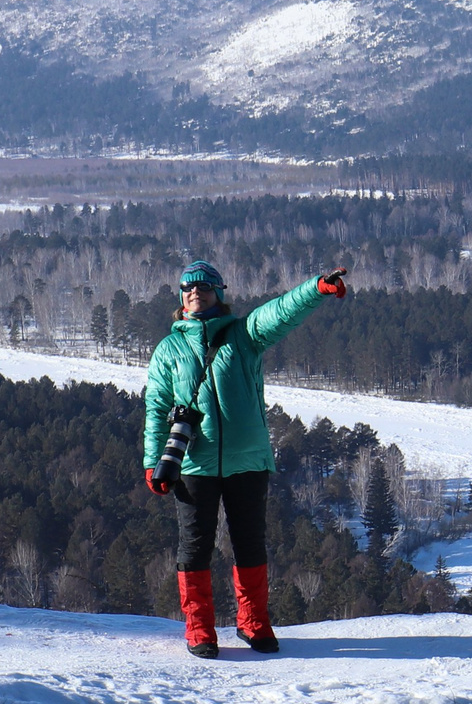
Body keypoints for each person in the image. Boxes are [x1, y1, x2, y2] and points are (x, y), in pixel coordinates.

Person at [142, 260, 349, 657]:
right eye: (187, 289)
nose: (194, 293)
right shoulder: (169, 349)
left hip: (249, 461)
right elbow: (156, 407)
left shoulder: (244, 335)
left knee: (250, 544)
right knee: (195, 546)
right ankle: (199, 627)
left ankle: (253, 622)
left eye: (203, 288)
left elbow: (281, 311)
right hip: (194, 463)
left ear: (218, 293)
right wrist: (154, 461)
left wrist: (316, 288)